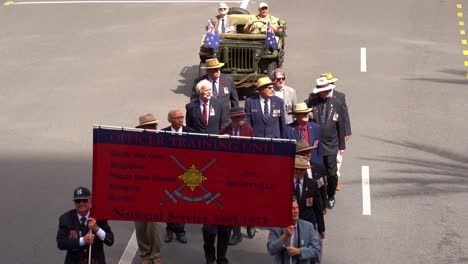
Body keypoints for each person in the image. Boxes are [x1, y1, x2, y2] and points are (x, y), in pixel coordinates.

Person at [306, 77, 346, 209]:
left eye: (329, 89)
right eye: (325, 90)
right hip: (316, 145)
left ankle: (331, 195)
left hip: (331, 145)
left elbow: (341, 125)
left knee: (332, 173)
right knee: (317, 173)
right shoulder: (311, 103)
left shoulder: (337, 103)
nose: (328, 91)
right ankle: (319, 196)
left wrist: (342, 145)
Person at [218, 106, 256, 245]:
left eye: (244, 117)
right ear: (233, 119)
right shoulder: (223, 132)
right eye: (240, 117)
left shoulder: (248, 130)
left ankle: (250, 224)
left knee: (248, 202)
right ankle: (236, 233)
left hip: (246, 173)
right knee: (234, 204)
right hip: (231, 174)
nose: (243, 119)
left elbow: (253, 151)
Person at [161, 109, 196, 244]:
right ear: (170, 120)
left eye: (182, 117)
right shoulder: (163, 133)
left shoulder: (191, 133)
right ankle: (169, 229)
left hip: (186, 174)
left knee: (181, 203)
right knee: (170, 202)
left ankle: (181, 231)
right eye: (177, 118)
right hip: (168, 174)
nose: (180, 120)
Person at [57, 187, 114, 264]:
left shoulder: (99, 217)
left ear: (90, 201)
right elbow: (61, 243)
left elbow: (110, 240)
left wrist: (96, 229)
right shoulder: (66, 219)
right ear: (74, 203)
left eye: (84, 200)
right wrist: (83, 240)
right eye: (78, 201)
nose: (81, 203)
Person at [134, 115, 162, 264]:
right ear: (143, 129)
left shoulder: (161, 143)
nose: (153, 129)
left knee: (154, 226)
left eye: (154, 126)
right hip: (138, 190)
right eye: (150, 126)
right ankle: (145, 253)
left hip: (155, 190)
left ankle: (155, 255)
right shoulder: (135, 145)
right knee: (140, 225)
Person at [319, 72, 351, 191]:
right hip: (323, 137)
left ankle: (335, 178)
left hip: (336, 133)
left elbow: (344, 115)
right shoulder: (315, 97)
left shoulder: (340, 96)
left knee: (337, 158)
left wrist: (347, 131)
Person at [267, 197, 321, 264]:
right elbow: (271, 249)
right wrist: (285, 236)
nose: (296, 211)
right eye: (292, 208)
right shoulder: (277, 227)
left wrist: (299, 251)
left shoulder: (308, 227)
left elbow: (316, 249)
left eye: (297, 208)